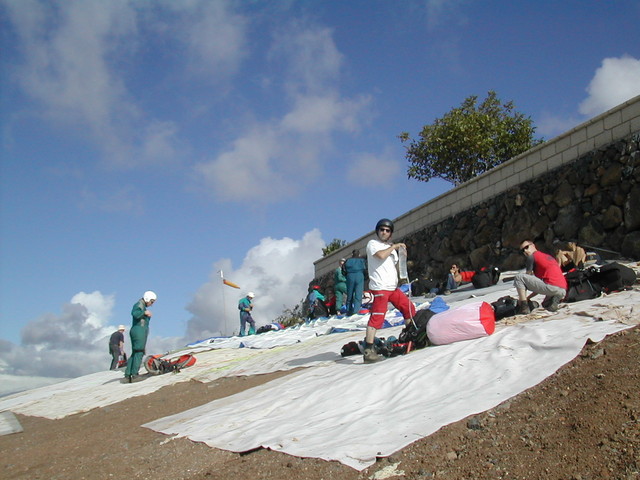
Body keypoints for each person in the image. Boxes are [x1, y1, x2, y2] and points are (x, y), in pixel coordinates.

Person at [363, 218, 417, 363]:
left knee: (408, 308)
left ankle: (410, 336)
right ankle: (368, 350)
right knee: (378, 317)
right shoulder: (372, 244)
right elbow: (380, 256)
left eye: (387, 231)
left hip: (392, 287)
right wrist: (394, 247)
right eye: (382, 230)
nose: (384, 232)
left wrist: (402, 255)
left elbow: (394, 266)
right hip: (380, 287)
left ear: (391, 233)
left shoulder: (390, 249)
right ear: (377, 231)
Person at [514, 240, 567, 314]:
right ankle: (554, 299)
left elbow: (526, 280)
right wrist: (528, 298)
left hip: (551, 287)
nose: (525, 251)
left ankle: (524, 307)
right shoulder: (547, 257)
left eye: (526, 247)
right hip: (562, 290)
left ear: (533, 245)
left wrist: (522, 300)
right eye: (522, 250)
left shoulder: (531, 257)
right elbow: (538, 286)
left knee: (519, 277)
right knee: (545, 304)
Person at [124, 290, 156, 382]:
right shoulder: (139, 305)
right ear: (147, 298)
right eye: (151, 301)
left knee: (135, 352)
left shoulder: (141, 306)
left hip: (139, 330)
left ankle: (128, 374)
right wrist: (144, 313)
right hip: (138, 331)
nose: (151, 304)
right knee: (139, 352)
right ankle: (134, 374)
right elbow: (135, 314)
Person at [344, 249, 367, 316]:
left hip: (350, 276)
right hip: (359, 275)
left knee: (349, 294)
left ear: (352, 254)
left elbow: (343, 270)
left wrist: (347, 275)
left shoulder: (348, 261)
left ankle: (349, 310)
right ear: (359, 254)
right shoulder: (362, 260)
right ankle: (356, 310)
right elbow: (366, 269)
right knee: (358, 294)